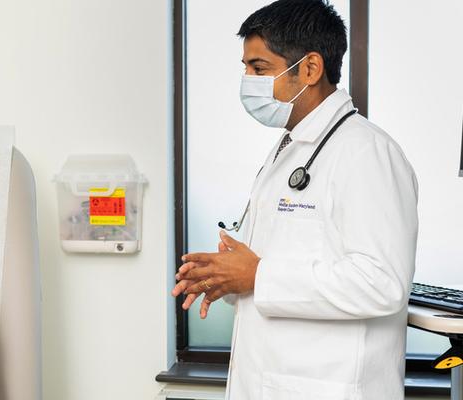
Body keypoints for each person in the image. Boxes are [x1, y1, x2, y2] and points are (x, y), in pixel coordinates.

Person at [172, 1, 418, 399]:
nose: (247, 80)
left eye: (259, 68)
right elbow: (268, 263)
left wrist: (257, 276)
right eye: (246, 68)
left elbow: (382, 282)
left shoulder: (366, 153)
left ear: (310, 68)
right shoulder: (290, 150)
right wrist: (225, 275)